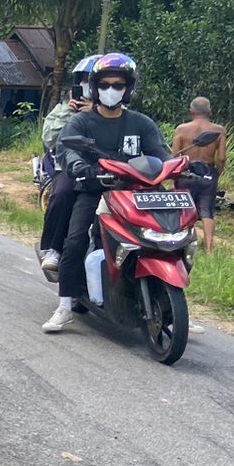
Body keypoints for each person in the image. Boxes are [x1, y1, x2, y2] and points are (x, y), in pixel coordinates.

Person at [43, 52, 167, 333]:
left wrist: (180, 166)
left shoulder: (141, 123)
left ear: (128, 89)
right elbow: (66, 148)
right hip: (94, 189)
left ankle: (168, 299)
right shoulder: (81, 122)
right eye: (106, 85)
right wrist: (80, 167)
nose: (111, 90)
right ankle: (64, 305)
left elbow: (160, 152)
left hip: (135, 193)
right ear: (95, 88)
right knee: (74, 241)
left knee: (163, 238)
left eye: (118, 85)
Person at [36, 54, 99, 275]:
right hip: (71, 168)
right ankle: (53, 247)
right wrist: (69, 113)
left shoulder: (120, 114)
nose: (86, 85)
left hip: (111, 170)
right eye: (83, 80)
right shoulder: (64, 110)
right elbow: (50, 139)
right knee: (62, 194)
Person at [172, 96, 227, 252]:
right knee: (207, 210)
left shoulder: (181, 129)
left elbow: (175, 156)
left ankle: (180, 244)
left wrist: (174, 176)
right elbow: (222, 157)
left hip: (186, 171)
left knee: (182, 207)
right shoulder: (219, 131)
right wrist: (217, 173)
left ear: (191, 112)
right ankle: (209, 249)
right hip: (208, 172)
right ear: (209, 111)